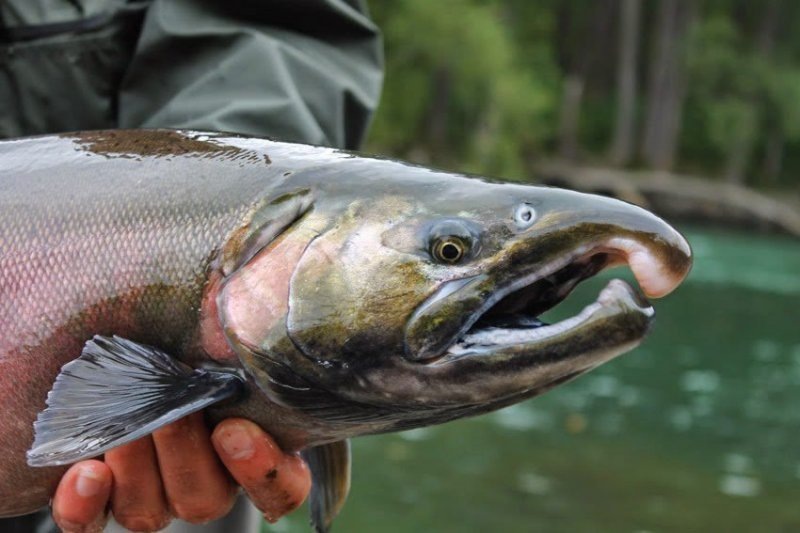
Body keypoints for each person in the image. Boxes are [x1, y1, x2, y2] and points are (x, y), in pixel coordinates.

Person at [0, 0, 383, 531]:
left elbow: (272, 29)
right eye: (448, 251)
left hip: (152, 407)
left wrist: (206, 215)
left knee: (203, 452)